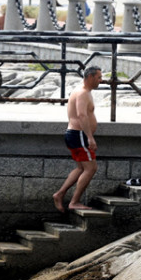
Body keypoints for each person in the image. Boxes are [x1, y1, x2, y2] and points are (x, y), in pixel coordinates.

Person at [53, 66, 103, 212]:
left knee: (81, 168)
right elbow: (82, 115)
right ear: (90, 77)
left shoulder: (82, 91)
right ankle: (74, 201)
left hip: (75, 135)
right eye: (98, 77)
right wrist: (90, 138)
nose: (101, 80)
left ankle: (59, 194)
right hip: (79, 135)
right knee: (91, 168)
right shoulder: (82, 93)